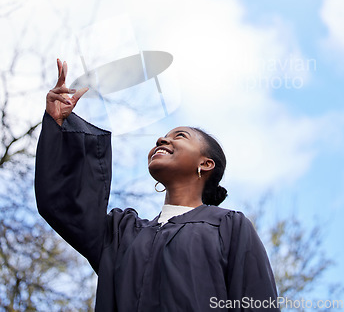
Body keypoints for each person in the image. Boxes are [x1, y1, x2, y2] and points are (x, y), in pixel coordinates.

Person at [35, 59, 280, 312]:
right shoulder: (120, 234)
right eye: (164, 135)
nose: (161, 138)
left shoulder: (229, 227)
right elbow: (61, 204)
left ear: (206, 164)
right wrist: (58, 124)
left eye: (180, 136)